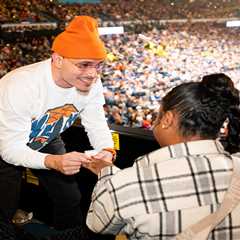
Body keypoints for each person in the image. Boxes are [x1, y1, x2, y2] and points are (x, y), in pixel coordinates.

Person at [86, 73, 240, 239]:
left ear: (167, 119)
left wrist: (107, 176)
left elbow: (97, 224)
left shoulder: (126, 186)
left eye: (158, 115)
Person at [0, 15, 116, 234]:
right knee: (4, 205)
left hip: (46, 137)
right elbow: (10, 149)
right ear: (58, 59)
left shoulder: (91, 82)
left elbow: (96, 121)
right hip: (5, 143)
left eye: (98, 66)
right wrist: (53, 161)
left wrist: (106, 150)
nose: (92, 74)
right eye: (83, 65)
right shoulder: (21, 85)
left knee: (69, 197)